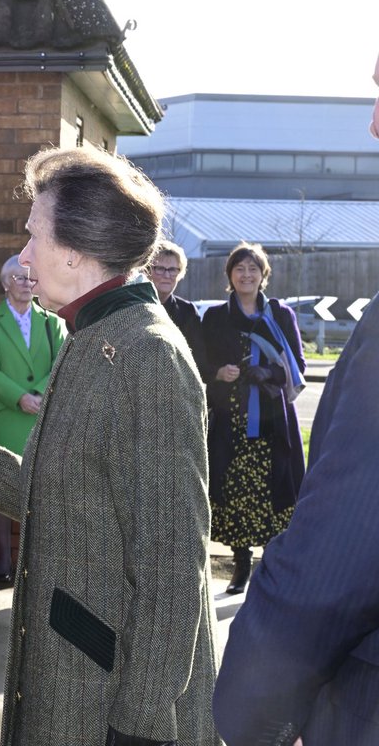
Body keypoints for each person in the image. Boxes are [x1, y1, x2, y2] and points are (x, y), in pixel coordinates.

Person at [0, 146, 219, 746]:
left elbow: (175, 562)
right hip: (74, 672)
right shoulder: (90, 336)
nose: (24, 255)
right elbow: (72, 494)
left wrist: (142, 723)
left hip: (111, 695)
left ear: (76, 250)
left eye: (33, 236)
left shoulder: (147, 355)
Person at [212, 64, 379, 746]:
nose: (373, 121)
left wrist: (248, 703)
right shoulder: (218, 314)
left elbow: (340, 554)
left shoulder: (281, 312)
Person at [200, 242, 305, 595]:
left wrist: (268, 373)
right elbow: (199, 362)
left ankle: (271, 567)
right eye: (240, 268)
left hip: (274, 423)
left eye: (253, 269)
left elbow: (297, 368)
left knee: (274, 492)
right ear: (230, 275)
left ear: (264, 275)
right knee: (234, 493)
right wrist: (218, 373)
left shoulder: (280, 314)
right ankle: (240, 565)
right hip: (233, 423)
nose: (247, 275)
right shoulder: (215, 316)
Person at [0, 255, 65, 582]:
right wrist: (20, 397)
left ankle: (33, 563)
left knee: (39, 493)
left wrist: (38, 394)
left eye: (31, 279)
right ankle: (3, 560)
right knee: (1, 487)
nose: (27, 285)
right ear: (5, 284)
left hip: (41, 416)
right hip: (4, 415)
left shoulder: (52, 322)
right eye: (20, 279)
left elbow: (60, 362)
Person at [149, 239, 206, 372]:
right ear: (147, 271)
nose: (167, 275)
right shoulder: (133, 308)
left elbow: (198, 361)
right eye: (160, 269)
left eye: (173, 269)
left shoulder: (188, 312)